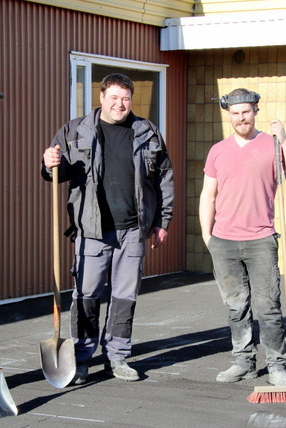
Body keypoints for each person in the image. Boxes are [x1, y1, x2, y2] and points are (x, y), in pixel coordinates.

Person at [41, 73, 174, 385]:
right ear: (101, 98)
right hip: (91, 228)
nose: (120, 104)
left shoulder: (147, 132)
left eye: (125, 98)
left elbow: (164, 177)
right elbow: (53, 174)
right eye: (114, 97)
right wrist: (48, 164)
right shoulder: (75, 131)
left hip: (132, 229)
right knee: (86, 295)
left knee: (125, 295)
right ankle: (83, 357)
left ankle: (117, 355)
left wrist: (162, 221)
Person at [199, 88, 286, 386]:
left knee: (268, 306)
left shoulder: (271, 145)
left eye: (245, 111)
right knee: (236, 308)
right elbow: (208, 195)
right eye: (235, 113)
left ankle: (276, 365)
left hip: (261, 240)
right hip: (224, 241)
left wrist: (284, 142)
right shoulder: (218, 151)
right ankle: (243, 362)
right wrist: (208, 237)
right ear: (229, 116)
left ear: (255, 111)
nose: (240, 117)